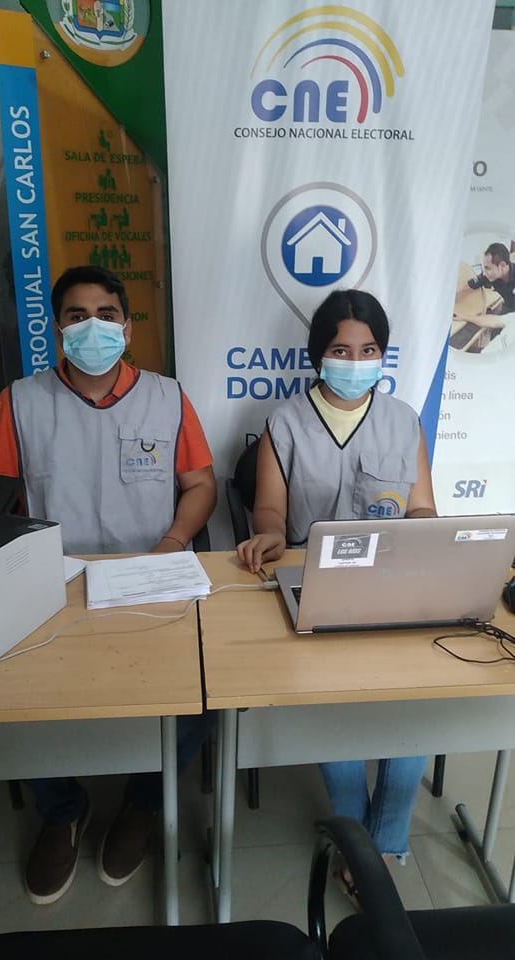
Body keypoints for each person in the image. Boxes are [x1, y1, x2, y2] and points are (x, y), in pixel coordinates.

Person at [0, 265, 217, 905]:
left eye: (106, 315)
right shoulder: (19, 402)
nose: (93, 327)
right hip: (51, 588)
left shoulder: (168, 397)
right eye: (77, 316)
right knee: (10, 694)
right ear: (58, 329)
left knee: (200, 697)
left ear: (127, 327)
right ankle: (62, 809)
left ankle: (144, 801)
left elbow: (200, 486)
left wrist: (172, 543)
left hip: (151, 578)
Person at [237, 289, 436, 888]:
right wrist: (271, 535)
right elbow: (270, 510)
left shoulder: (403, 419)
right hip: (314, 585)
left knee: (416, 713)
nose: (356, 361)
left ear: (383, 354)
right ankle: (356, 840)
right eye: (341, 350)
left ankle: (385, 842)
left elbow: (422, 508)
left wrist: (429, 539)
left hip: (393, 586)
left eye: (369, 349)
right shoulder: (284, 423)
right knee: (330, 713)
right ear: (317, 355)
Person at [458, 242, 515, 315]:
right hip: (509, 307)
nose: (484, 273)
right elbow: (468, 285)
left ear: (502, 265)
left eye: (488, 268)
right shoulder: (488, 276)